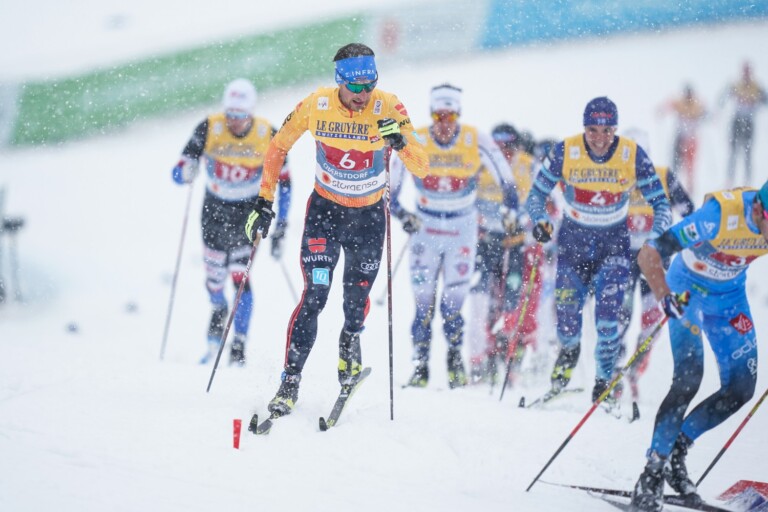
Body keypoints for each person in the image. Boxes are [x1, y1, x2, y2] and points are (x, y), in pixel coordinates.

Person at [244, 43, 428, 416]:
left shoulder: (388, 105)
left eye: (370, 84)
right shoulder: (317, 104)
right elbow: (278, 147)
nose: (364, 94)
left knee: (354, 303)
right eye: (356, 86)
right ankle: (289, 382)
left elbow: (423, 166)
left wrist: (401, 143)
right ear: (339, 81)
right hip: (325, 216)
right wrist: (264, 200)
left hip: (369, 221)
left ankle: (350, 341)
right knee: (315, 295)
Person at [629, 181, 768, 512]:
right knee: (689, 378)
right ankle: (651, 474)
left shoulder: (761, 219)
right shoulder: (719, 215)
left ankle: (677, 449)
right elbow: (648, 253)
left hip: (729, 298)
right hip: (686, 290)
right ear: (759, 210)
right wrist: (664, 296)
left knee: (740, 389)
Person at [525, 97, 672, 408]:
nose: (600, 138)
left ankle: (604, 383)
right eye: (593, 130)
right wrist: (540, 220)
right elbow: (535, 195)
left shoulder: (632, 154)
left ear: (615, 129)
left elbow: (661, 204)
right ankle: (568, 352)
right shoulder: (566, 151)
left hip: (614, 249)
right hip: (573, 247)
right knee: (567, 321)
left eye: (607, 130)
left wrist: (655, 239)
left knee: (608, 323)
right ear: (584, 128)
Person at [390, 84, 518, 389]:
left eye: (450, 116)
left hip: (462, 230)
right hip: (426, 229)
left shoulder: (475, 139)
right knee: (423, 303)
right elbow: (390, 188)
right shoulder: (416, 139)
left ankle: (454, 360)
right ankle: (420, 365)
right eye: (439, 115)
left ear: (458, 115)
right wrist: (403, 214)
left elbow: (506, 177)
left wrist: (510, 208)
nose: (444, 123)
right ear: (431, 114)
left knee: (453, 303)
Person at [171, 78, 291, 366]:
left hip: (248, 212)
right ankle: (218, 307)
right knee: (214, 279)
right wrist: (185, 172)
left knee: (240, 276)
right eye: (230, 114)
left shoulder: (267, 133)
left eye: (241, 115)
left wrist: (282, 225)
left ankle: (238, 343)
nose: (234, 121)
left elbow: (286, 183)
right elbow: (177, 171)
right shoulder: (209, 127)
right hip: (214, 210)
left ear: (251, 112)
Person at [617, 128, 695, 404]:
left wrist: (686, 243)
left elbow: (689, 212)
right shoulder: (615, 175)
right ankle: (614, 371)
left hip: (654, 261)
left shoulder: (663, 176)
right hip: (623, 259)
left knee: (652, 321)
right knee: (618, 317)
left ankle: (635, 369)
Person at [467, 123, 540, 386]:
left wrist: (526, 220)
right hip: (486, 242)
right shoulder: (481, 163)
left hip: (515, 243)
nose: (504, 152)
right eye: (498, 147)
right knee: (480, 301)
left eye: (509, 146)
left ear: (517, 147)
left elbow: (544, 199)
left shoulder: (528, 165)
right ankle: (479, 360)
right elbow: (464, 195)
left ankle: (511, 356)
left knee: (512, 300)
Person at [720, 61, 767, 187]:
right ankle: (729, 179)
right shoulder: (736, 84)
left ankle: (747, 180)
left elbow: (765, 100)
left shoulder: (756, 86)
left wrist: (755, 100)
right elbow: (723, 96)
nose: (746, 74)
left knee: (747, 152)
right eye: (744, 71)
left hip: (749, 121)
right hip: (737, 120)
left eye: (748, 71)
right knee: (733, 151)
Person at [657, 84, 707, 194]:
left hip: (691, 140)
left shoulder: (697, 105)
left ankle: (690, 188)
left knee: (690, 166)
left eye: (689, 96)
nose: (688, 98)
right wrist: (661, 110)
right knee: (676, 164)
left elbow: (706, 112)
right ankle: (673, 185)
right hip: (680, 138)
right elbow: (669, 104)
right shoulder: (680, 103)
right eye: (687, 95)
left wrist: (706, 116)